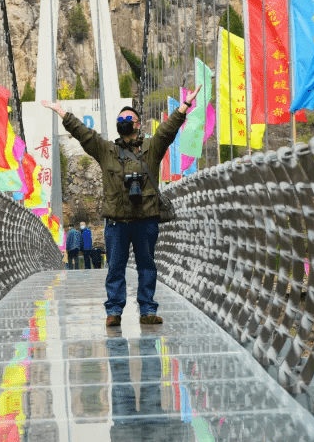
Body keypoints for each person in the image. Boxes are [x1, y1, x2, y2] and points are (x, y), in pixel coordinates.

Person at [41, 85, 201, 326]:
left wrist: (184, 107)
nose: (124, 121)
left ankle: (147, 310)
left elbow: (168, 131)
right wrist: (62, 112)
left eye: (129, 118)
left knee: (147, 266)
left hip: (146, 219)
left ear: (138, 124)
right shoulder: (106, 151)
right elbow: (84, 134)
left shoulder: (152, 148)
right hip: (116, 222)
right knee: (115, 268)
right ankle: (114, 312)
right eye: (121, 118)